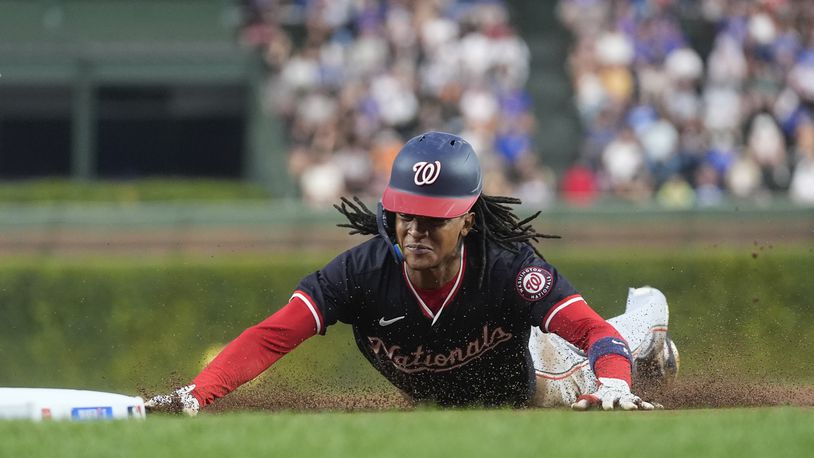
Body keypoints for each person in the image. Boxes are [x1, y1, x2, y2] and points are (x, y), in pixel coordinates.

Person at [145, 131, 678, 414]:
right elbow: (270, 337)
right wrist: (198, 393)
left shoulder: (509, 268)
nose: (416, 230)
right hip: (446, 403)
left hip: (538, 379)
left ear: (467, 220)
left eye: (434, 219)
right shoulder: (358, 274)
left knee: (616, 343)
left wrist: (613, 386)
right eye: (406, 214)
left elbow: (592, 332)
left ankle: (650, 318)